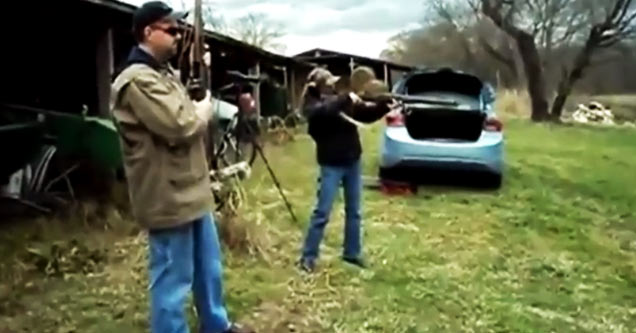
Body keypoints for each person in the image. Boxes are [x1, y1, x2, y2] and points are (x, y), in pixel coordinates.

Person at [110, 2, 254, 332]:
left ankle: (216, 325)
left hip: (192, 191)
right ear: (148, 32)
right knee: (173, 281)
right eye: (171, 30)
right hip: (167, 196)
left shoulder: (162, 75)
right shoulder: (136, 81)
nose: (178, 37)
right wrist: (204, 109)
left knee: (208, 269)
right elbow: (180, 125)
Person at [298, 67, 396, 272]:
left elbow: (364, 115)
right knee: (322, 212)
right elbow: (324, 113)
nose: (333, 86)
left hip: (352, 161)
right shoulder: (313, 106)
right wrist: (347, 97)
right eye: (328, 83)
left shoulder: (338, 101)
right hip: (331, 164)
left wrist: (384, 106)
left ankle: (352, 253)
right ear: (317, 86)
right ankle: (308, 257)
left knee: (355, 212)